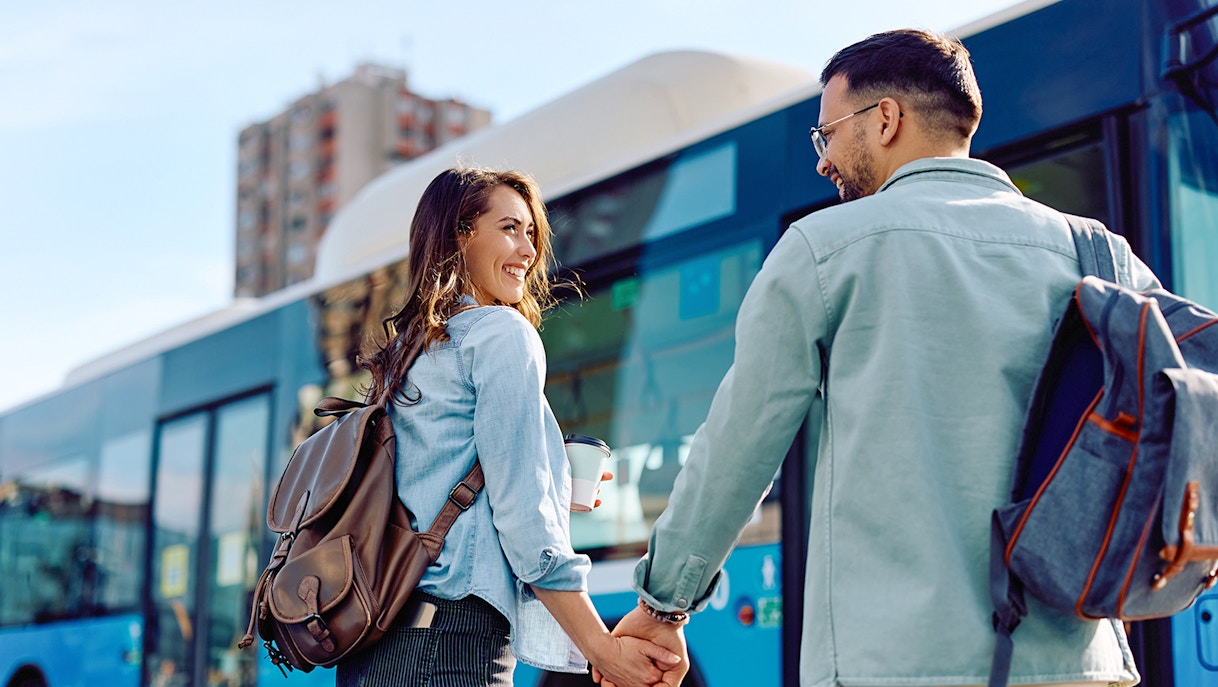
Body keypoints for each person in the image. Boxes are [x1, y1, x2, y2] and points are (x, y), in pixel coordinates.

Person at [605, 29, 1160, 687]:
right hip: (1079, 665)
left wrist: (664, 603)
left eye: (827, 135)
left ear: (887, 119)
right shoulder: (1101, 255)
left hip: (895, 662)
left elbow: (738, 446)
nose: (823, 162)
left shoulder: (824, 250)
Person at [339, 167, 680, 687]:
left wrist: (552, 477)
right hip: (448, 647)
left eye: (531, 233)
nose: (528, 250)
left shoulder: (412, 348)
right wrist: (602, 649)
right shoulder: (501, 333)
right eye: (509, 229)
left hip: (379, 647)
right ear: (460, 235)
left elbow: (430, 486)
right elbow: (525, 519)